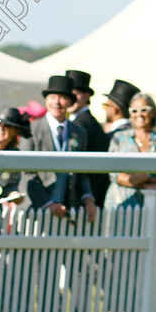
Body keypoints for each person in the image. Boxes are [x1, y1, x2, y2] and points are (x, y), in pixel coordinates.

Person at [20, 76, 97, 222]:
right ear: (46, 100)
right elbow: (26, 172)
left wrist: (88, 198)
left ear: (70, 102)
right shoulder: (30, 130)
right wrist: (48, 204)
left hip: (67, 209)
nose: (57, 102)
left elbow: (82, 171)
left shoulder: (79, 133)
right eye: (53, 97)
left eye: (62, 98)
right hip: (36, 210)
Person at [104, 93, 156, 209]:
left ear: (153, 112)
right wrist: (148, 182)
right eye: (134, 110)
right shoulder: (119, 138)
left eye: (144, 110)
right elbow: (115, 175)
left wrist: (143, 179)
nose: (139, 114)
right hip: (120, 204)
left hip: (153, 206)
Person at [65, 70, 110, 208]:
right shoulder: (81, 121)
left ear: (86, 96)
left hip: (86, 197)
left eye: (75, 94)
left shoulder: (82, 124)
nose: (70, 99)